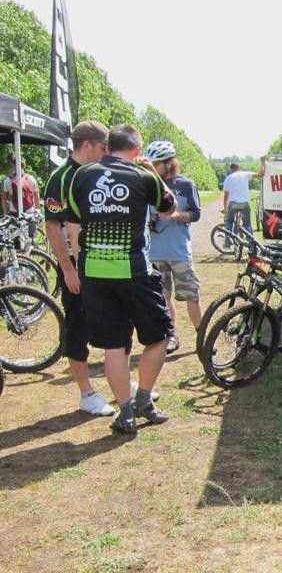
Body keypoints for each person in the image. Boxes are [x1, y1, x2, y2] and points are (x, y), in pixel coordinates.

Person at [66, 124, 177, 435]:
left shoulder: (81, 175)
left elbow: (74, 223)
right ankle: (143, 399)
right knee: (160, 335)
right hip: (133, 270)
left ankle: (125, 413)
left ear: (107, 146)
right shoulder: (142, 175)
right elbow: (169, 208)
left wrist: (78, 266)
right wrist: (152, 172)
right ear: (137, 150)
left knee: (113, 346)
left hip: (94, 272)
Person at [43, 120, 117, 415]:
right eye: (103, 148)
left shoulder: (99, 173)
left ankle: (118, 381)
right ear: (87, 145)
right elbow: (52, 227)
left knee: (114, 321)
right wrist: (68, 269)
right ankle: (87, 394)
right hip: (76, 266)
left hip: (102, 263)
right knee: (79, 327)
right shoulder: (61, 178)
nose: (106, 153)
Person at [144, 141, 202, 355]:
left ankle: (202, 337)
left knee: (192, 296)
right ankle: (171, 336)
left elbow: (196, 214)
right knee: (163, 297)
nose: (152, 167)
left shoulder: (186, 184)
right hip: (154, 253)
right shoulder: (147, 182)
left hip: (179, 253)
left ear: (169, 163)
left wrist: (175, 215)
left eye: (156, 163)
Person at [222, 160, 265, 245]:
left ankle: (228, 241)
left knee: (229, 221)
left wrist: (225, 208)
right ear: (239, 168)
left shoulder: (228, 178)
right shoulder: (245, 174)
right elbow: (261, 174)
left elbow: (226, 196)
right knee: (247, 225)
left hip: (233, 203)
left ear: (231, 169)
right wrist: (263, 162)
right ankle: (251, 245)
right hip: (245, 204)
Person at [2, 156, 41, 239]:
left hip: (14, 211)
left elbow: (4, 199)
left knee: (15, 237)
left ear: (13, 165)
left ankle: (17, 245)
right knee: (31, 237)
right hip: (29, 211)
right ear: (24, 165)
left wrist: (6, 213)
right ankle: (32, 242)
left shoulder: (7, 180)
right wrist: (37, 210)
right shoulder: (31, 179)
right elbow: (37, 197)